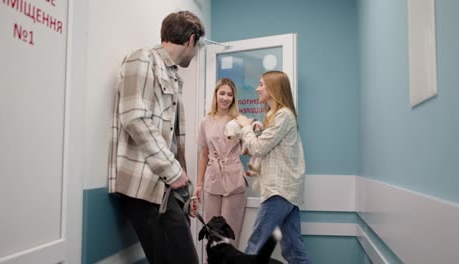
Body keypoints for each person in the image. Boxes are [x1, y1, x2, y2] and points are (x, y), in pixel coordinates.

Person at [108, 11, 205, 264]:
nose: (195, 54)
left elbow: (170, 142)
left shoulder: (172, 75)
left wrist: (186, 191)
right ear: (191, 40)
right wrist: (175, 174)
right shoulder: (142, 59)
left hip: (164, 187)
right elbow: (134, 118)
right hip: (145, 188)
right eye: (198, 47)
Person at [235, 71, 312, 264]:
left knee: (255, 247)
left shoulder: (283, 115)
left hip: (278, 192)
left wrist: (245, 127)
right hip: (287, 192)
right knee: (294, 251)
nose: (257, 88)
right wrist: (258, 132)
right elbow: (274, 150)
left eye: (261, 84)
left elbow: (259, 148)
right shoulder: (275, 115)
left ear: (273, 89)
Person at [195, 78, 247, 248]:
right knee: (211, 232)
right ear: (215, 95)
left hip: (233, 177)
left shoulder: (239, 121)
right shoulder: (206, 121)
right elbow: (204, 154)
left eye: (230, 94)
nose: (225, 98)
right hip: (213, 177)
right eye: (222, 93)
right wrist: (199, 183)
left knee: (230, 233)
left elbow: (250, 149)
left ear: (234, 98)